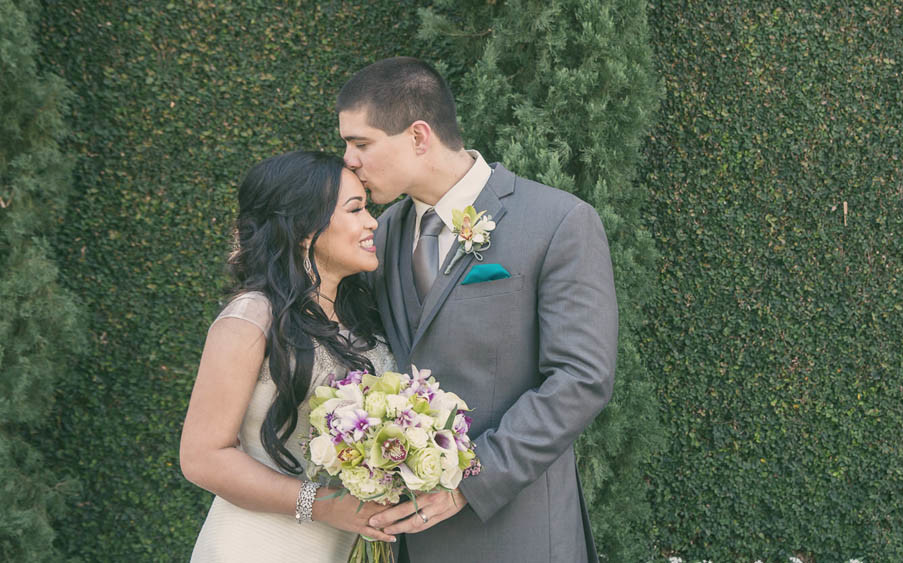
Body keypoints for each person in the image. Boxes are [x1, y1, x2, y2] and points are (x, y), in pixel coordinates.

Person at [337, 56, 618, 563]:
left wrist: (470, 482)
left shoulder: (559, 222)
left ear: (419, 137)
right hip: (411, 539)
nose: (348, 161)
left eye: (361, 144)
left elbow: (581, 377)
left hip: (518, 529)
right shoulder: (379, 237)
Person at [180, 151, 400, 561]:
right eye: (355, 210)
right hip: (257, 546)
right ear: (303, 229)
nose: (372, 222)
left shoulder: (365, 318)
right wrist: (320, 504)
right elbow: (202, 457)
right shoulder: (252, 317)